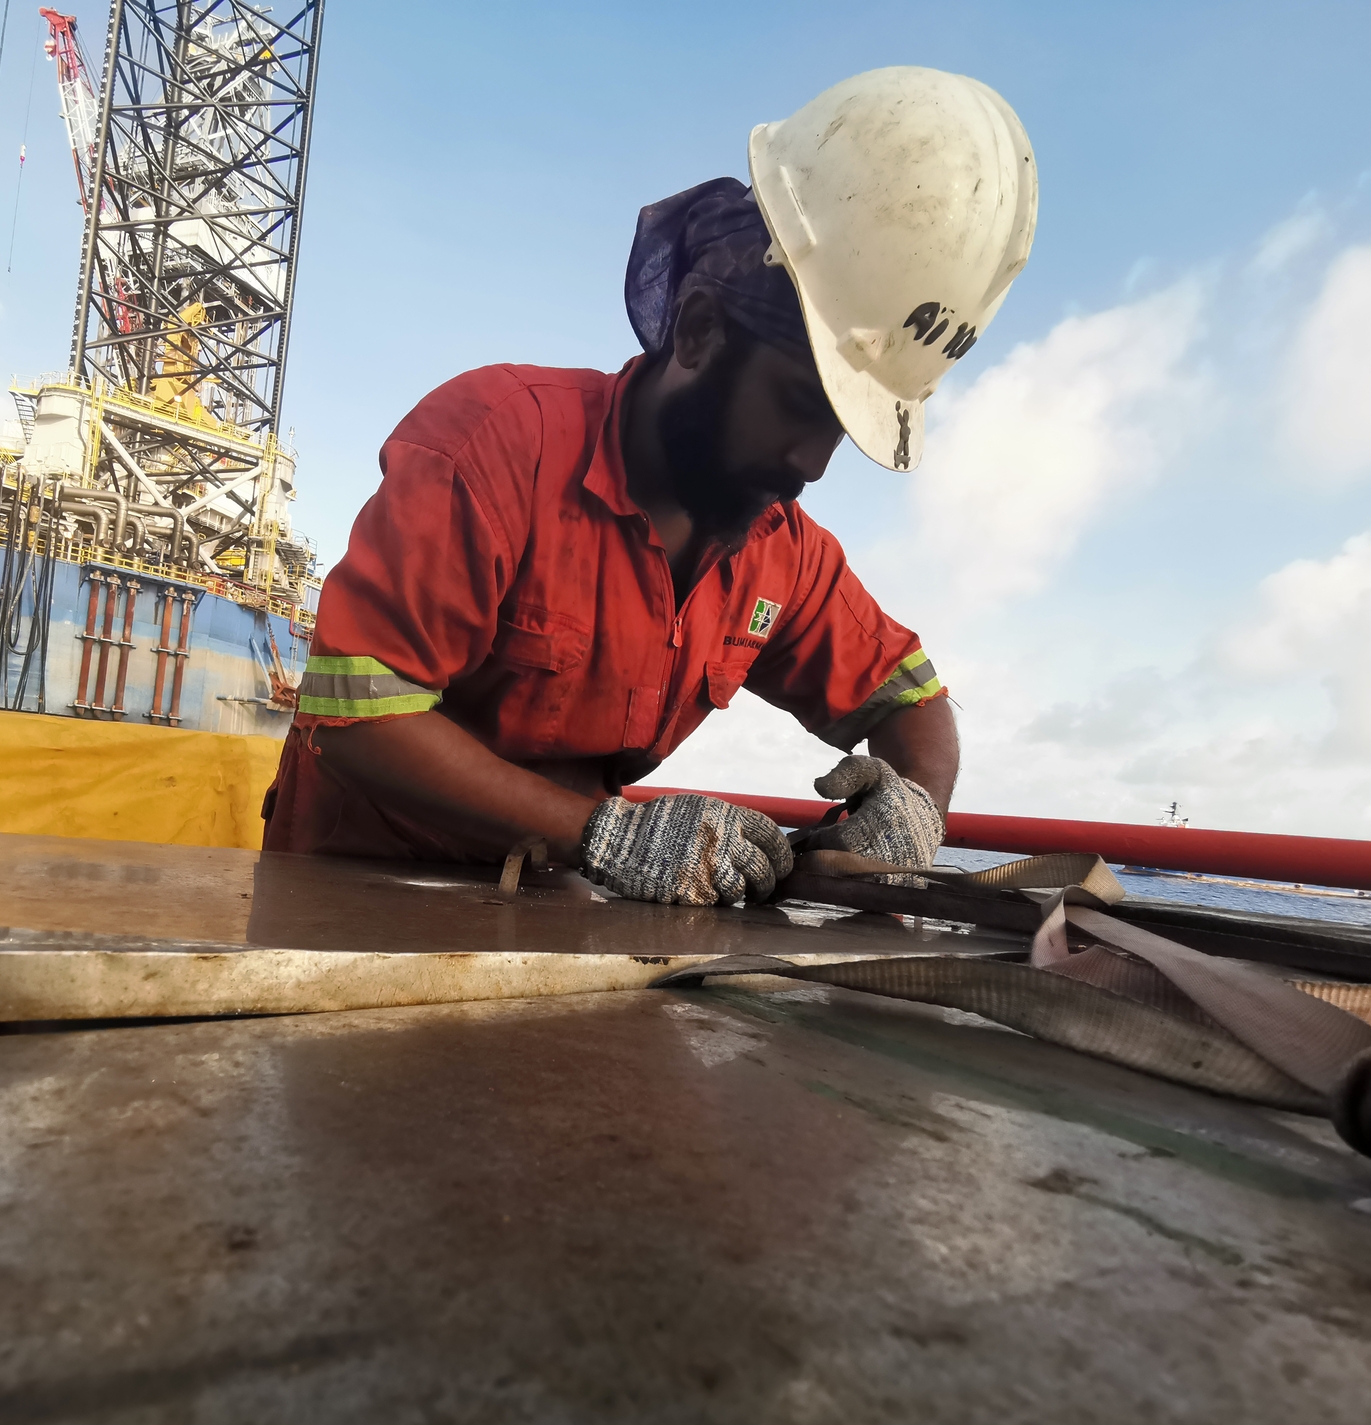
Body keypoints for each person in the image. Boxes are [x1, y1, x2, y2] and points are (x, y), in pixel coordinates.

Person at [262, 66, 1038, 905]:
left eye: (840, 432)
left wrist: (917, 806)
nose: (812, 464)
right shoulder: (496, 442)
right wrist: (601, 831)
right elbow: (354, 716)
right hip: (348, 900)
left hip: (543, 919)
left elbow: (911, 696)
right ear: (700, 329)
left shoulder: (780, 553)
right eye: (798, 404)